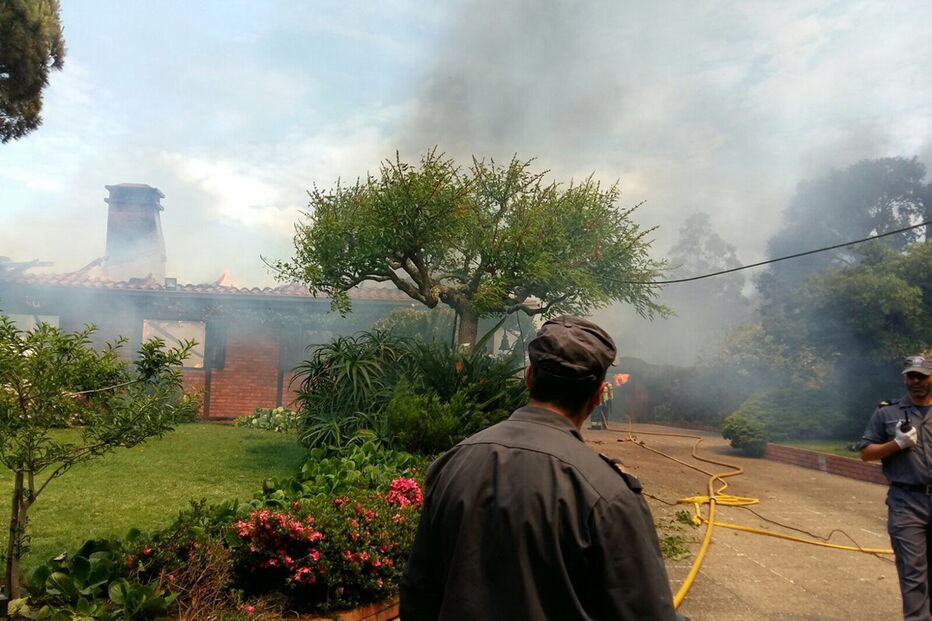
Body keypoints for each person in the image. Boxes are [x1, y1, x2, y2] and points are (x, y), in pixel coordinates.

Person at [400, 315, 686, 620]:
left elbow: (419, 594)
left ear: (528, 377)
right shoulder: (607, 494)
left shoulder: (453, 464)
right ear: (598, 396)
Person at [858, 355, 932, 621]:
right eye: (911, 376)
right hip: (906, 503)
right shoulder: (886, 412)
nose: (916, 381)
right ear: (904, 377)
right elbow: (866, 452)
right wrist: (896, 445)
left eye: (922, 376)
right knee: (913, 573)